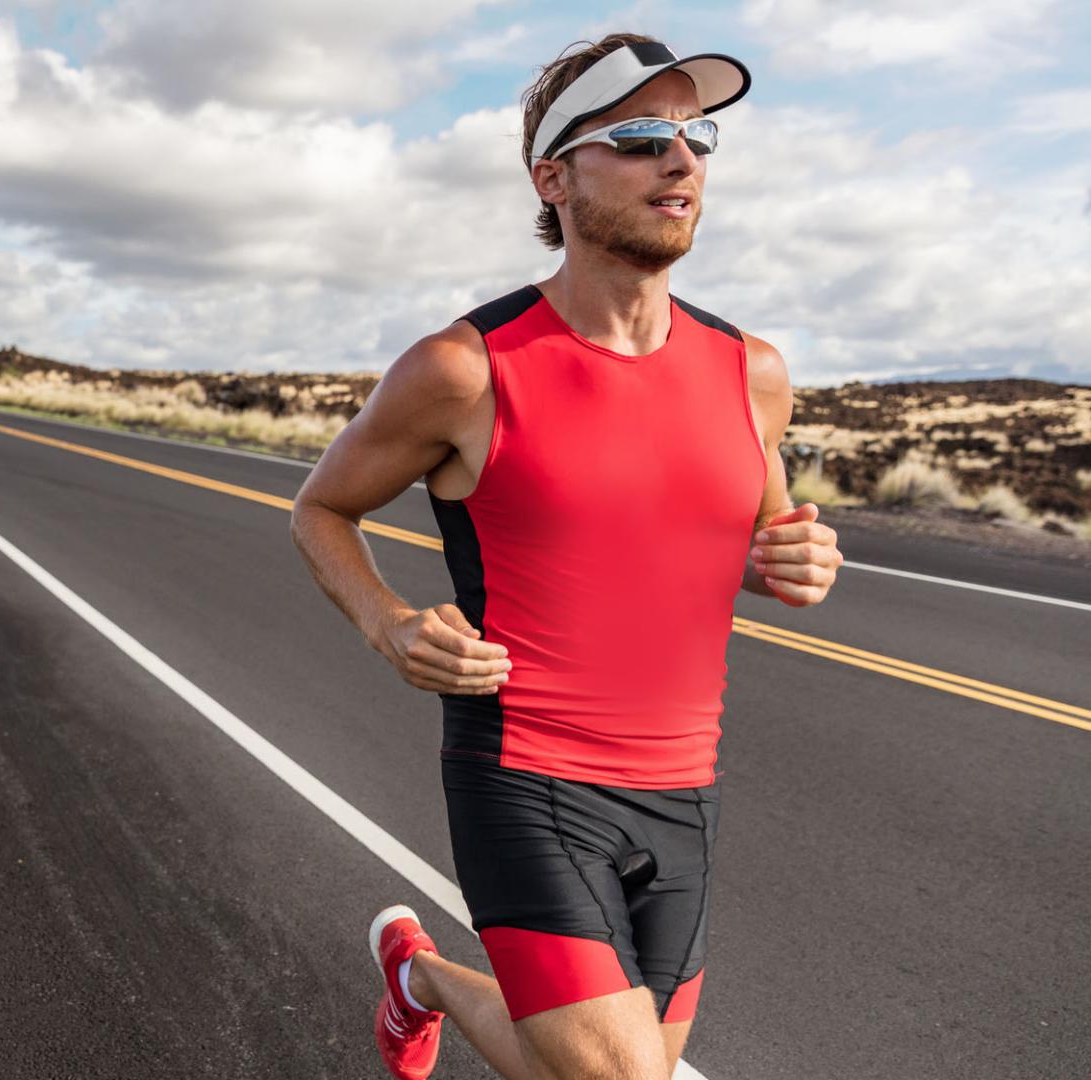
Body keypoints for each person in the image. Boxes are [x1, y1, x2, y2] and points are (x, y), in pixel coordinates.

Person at [289, 32, 844, 1080]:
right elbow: (321, 509)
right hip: (529, 770)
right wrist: (389, 622)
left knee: (580, 1067)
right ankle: (432, 982)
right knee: (621, 1076)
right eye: (638, 137)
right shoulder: (466, 369)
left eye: (696, 138)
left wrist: (800, 562)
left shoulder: (752, 372)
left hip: (686, 784)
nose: (679, 163)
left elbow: (776, 535)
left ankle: (425, 981)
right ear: (555, 177)